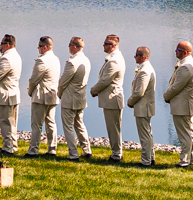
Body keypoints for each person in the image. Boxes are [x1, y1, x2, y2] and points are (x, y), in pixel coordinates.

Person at [164, 41, 193, 169]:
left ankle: (184, 160)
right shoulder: (189, 63)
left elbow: (176, 87)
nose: (175, 51)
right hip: (187, 104)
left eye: (178, 50)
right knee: (190, 131)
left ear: (185, 52)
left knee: (184, 134)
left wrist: (166, 96)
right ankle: (192, 158)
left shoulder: (186, 67)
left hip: (182, 106)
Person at [92, 34, 127, 162]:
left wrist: (93, 90)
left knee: (113, 128)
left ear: (113, 46)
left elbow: (105, 80)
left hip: (112, 98)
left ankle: (116, 155)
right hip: (111, 99)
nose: (103, 45)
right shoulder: (114, 58)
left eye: (106, 44)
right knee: (112, 128)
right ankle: (116, 153)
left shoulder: (114, 61)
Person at [26, 36, 61, 157]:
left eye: (40, 46)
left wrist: (30, 91)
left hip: (41, 96)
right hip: (52, 95)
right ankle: (52, 148)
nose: (38, 48)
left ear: (45, 47)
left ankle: (33, 150)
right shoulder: (56, 59)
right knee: (51, 123)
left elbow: (34, 79)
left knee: (36, 124)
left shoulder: (42, 60)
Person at [0, 33, 21, 153]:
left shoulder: (6, 58)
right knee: (12, 122)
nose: (0, 46)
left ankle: (7, 148)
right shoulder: (16, 56)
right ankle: (13, 145)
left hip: (4, 94)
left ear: (7, 45)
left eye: (1, 43)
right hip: (13, 93)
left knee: (5, 122)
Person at [59, 37, 92, 159]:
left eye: (69, 45)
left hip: (70, 98)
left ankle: (73, 153)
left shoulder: (72, 62)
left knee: (68, 126)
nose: (68, 47)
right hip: (81, 97)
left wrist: (59, 93)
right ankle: (87, 149)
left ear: (74, 47)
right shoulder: (86, 60)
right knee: (79, 124)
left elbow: (63, 82)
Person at [127, 47, 158, 166]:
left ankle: (146, 161)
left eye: (136, 55)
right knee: (148, 133)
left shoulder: (144, 71)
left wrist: (130, 102)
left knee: (144, 135)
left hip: (143, 106)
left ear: (143, 57)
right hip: (146, 106)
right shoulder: (147, 68)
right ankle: (151, 157)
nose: (134, 57)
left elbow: (139, 92)